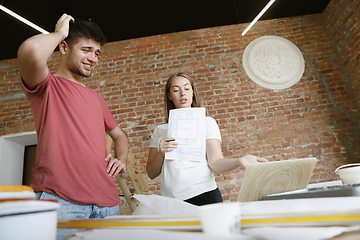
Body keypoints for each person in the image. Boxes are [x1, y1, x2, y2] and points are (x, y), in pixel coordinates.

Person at [18, 14, 128, 239]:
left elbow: (120, 135)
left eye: (97, 53)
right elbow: (31, 51)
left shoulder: (96, 98)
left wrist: (121, 159)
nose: (94, 58)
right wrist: (60, 32)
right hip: (60, 202)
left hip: (107, 206)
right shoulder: (46, 86)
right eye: (86, 50)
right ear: (64, 47)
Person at [146, 72, 268, 206]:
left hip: (203, 195)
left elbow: (215, 163)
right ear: (169, 96)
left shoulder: (207, 123)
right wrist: (161, 153)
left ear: (193, 93)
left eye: (187, 88)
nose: (182, 93)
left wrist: (240, 161)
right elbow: (151, 173)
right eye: (176, 90)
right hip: (171, 201)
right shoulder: (160, 130)